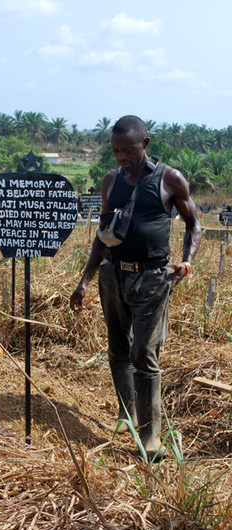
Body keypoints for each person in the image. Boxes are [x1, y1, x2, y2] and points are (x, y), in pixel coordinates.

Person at [70, 115, 201, 461]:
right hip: (113, 276)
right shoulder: (111, 181)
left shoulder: (170, 179)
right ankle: (126, 417)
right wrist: (84, 281)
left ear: (145, 144)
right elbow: (102, 235)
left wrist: (186, 263)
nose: (121, 156)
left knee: (144, 353)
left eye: (128, 150)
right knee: (118, 350)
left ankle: (150, 437)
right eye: (115, 150)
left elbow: (194, 225)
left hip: (153, 278)